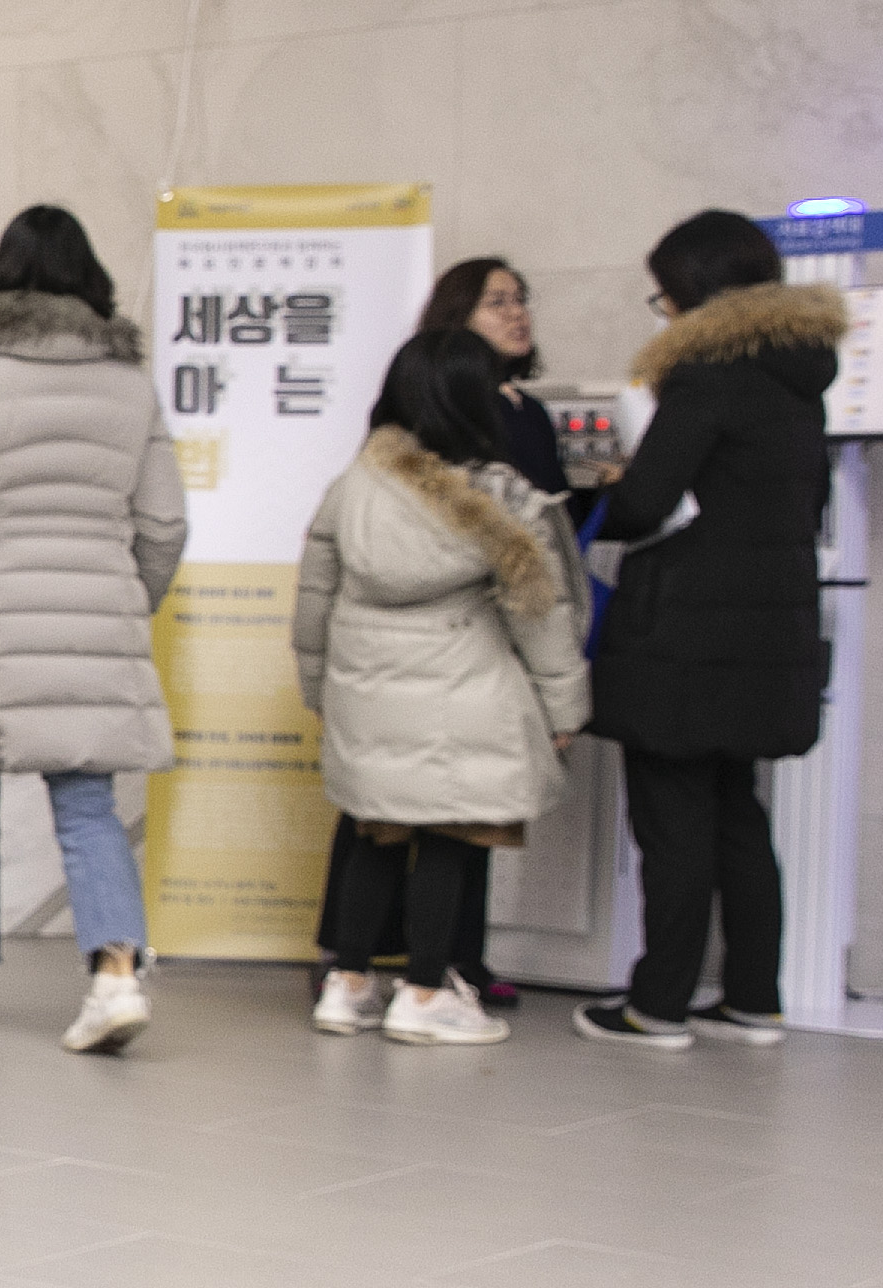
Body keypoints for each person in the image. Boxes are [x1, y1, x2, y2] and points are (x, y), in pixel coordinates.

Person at [0, 203, 190, 1055]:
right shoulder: (131, 387)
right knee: (88, 803)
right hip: (98, 616)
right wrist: (129, 601)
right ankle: (115, 979)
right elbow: (165, 527)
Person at [576, 210, 837, 1051]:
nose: (665, 313)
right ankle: (754, 999)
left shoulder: (704, 378)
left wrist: (610, 487)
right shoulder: (798, 384)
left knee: (673, 818)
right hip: (768, 634)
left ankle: (657, 1004)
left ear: (692, 292)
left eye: (665, 297)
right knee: (738, 813)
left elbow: (647, 504)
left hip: (684, 633)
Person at [294, 330, 589, 1046]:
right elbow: (541, 615)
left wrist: (321, 690)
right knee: (452, 834)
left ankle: (348, 985)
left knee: (376, 828)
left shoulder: (352, 487)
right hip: (466, 684)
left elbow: (314, 603)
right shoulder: (500, 498)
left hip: (366, 688)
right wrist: (564, 708)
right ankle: (425, 991)